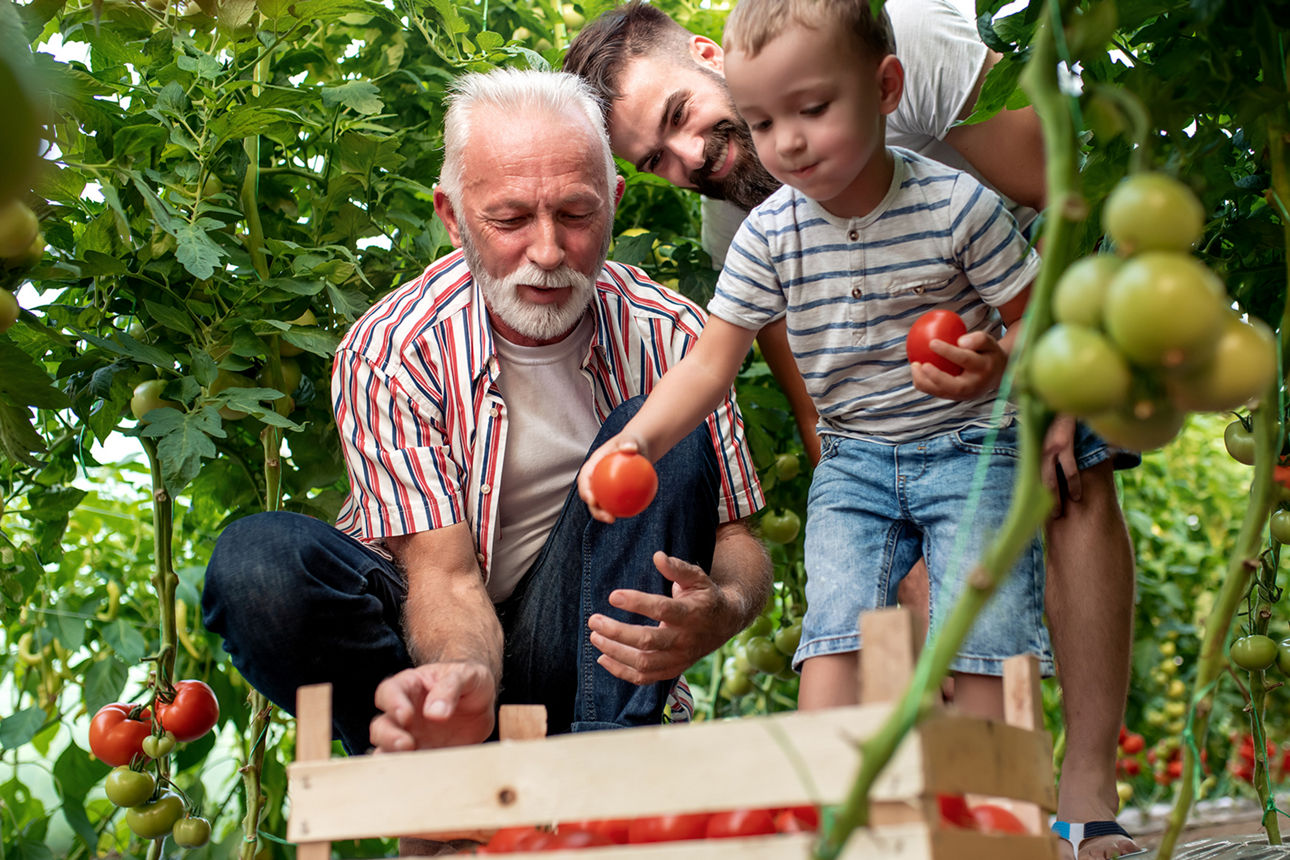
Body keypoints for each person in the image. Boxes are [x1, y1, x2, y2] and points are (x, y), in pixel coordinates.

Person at [564, 5, 1139, 859]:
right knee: (848, 621)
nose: (689, 158)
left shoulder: (906, 65)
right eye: (656, 160)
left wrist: (1036, 381)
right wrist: (637, 441)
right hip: (881, 438)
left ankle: (1059, 801)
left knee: (1070, 482)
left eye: (680, 116)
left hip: (1030, 303)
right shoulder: (748, 225)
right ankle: (852, 815)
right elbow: (783, 395)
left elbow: (1072, 200)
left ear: (711, 56)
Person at [201, 67, 772, 851]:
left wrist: (725, 610)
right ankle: (438, 773)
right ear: (451, 216)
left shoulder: (675, 335)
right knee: (259, 565)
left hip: (588, 647)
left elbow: (738, 542)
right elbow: (443, 575)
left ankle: (609, 788)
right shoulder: (392, 349)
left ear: (616, 203)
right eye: (508, 219)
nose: (548, 251)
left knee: (652, 430)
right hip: (434, 638)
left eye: (577, 214)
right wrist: (462, 681)